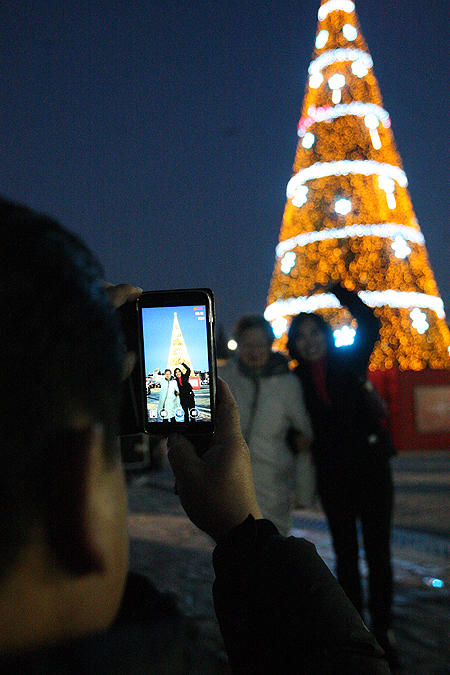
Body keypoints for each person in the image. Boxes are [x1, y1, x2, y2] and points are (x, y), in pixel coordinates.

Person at [0, 197, 391, 674]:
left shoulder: (303, 378)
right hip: (262, 494)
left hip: (344, 475)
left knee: (372, 553)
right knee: (349, 558)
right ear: (75, 493)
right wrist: (245, 535)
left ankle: (383, 618)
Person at [287, 282, 399, 671]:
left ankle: (383, 631)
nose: (310, 341)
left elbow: (370, 323)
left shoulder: (350, 361)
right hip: (334, 477)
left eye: (315, 333)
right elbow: (286, 422)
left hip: (371, 471)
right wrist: (292, 437)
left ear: (326, 335)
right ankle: (358, 631)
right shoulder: (293, 381)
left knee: (379, 554)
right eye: (301, 337)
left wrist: (340, 292)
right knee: (347, 558)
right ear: (294, 343)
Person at [219, 315, 315, 535]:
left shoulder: (287, 383)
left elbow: (304, 439)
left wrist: (304, 493)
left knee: (273, 553)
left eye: (260, 345)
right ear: (238, 344)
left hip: (272, 486)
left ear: (270, 344)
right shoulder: (223, 378)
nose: (254, 352)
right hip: (230, 483)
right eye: (248, 345)